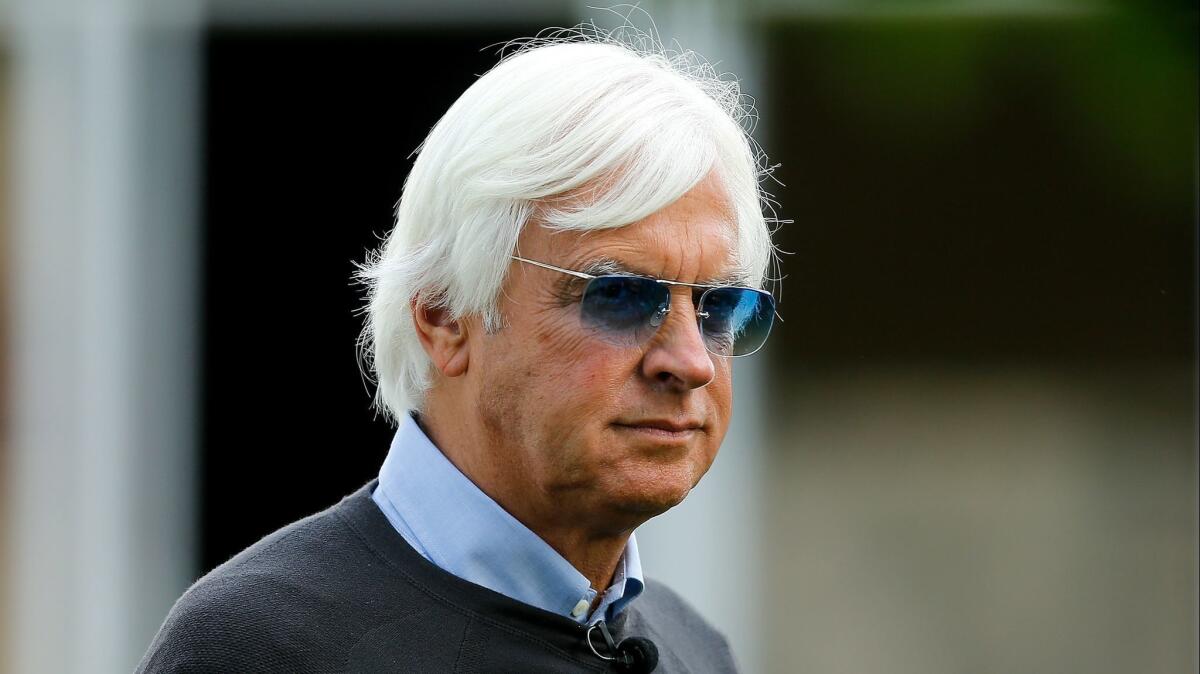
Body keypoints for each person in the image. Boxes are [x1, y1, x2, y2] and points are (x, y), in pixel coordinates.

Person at [138, 25, 780, 674]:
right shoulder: (255, 648)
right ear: (445, 317)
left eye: (719, 307)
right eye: (618, 297)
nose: (692, 362)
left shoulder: (696, 651)